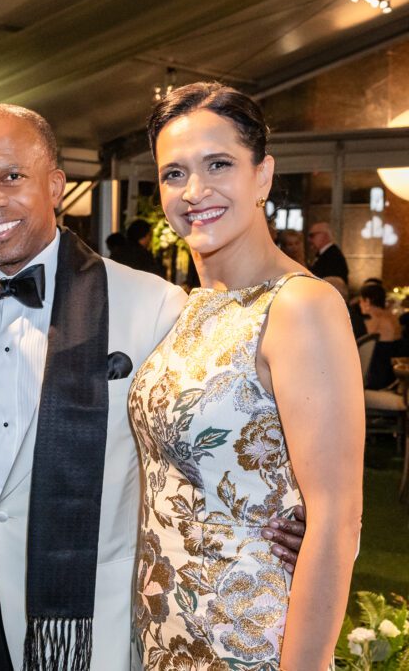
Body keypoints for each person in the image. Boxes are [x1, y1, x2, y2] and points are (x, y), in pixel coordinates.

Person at [0, 104, 305, 671]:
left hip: (92, 623)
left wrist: (293, 511)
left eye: (11, 176)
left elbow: (208, 423)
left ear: (56, 186)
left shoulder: (156, 305)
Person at [130, 82, 362, 668]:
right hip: (167, 636)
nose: (195, 191)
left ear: (263, 176)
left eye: (219, 165)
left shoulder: (299, 306)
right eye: (174, 173)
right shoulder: (187, 308)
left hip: (252, 642)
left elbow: (336, 518)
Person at [360, 282, 403, 389]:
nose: (360, 304)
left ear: (367, 301)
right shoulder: (393, 317)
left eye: (361, 301)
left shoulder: (375, 321)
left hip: (378, 378)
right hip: (395, 375)